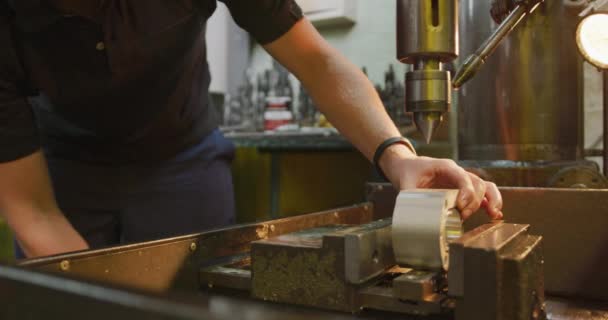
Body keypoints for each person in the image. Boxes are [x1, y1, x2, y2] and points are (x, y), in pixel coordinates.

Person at [0, 0, 503, 258]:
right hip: (61, 173)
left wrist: (397, 153)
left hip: (183, 160)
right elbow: (32, 210)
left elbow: (315, 60)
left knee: (198, 297)